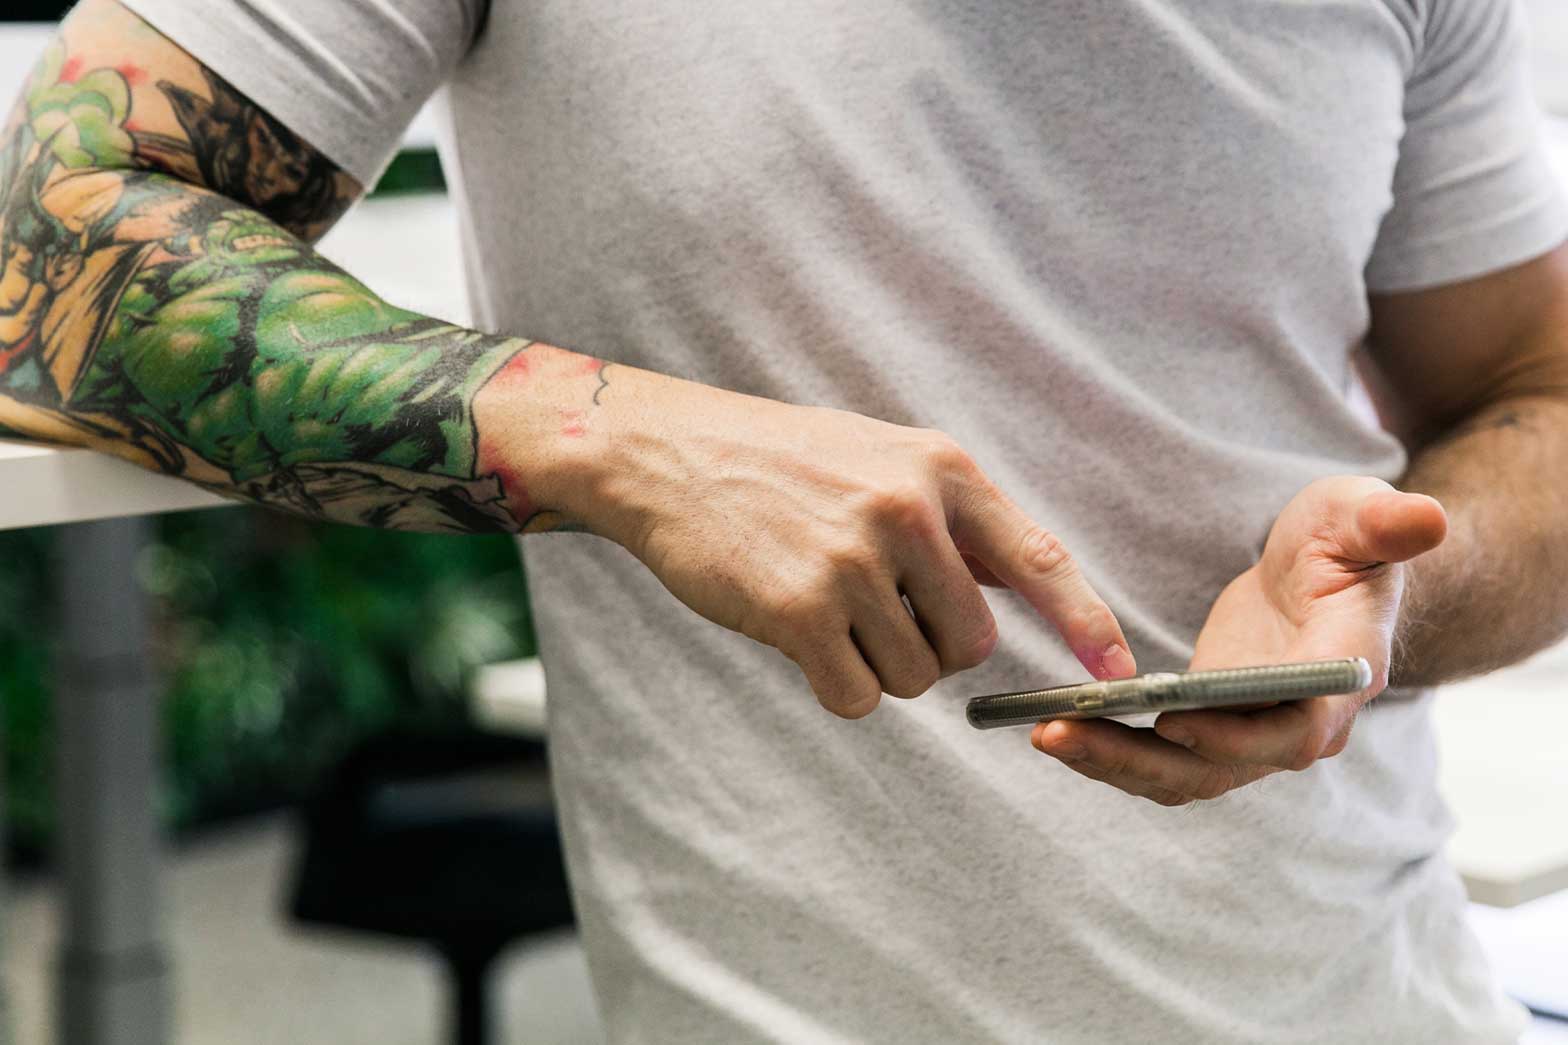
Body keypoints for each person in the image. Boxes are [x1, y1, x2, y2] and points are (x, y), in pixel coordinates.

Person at [2, 0, 1565, 1039]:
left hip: (1389, 994)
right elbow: (47, 243)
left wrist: (1392, 602)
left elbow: (1535, 388)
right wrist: (626, 438)